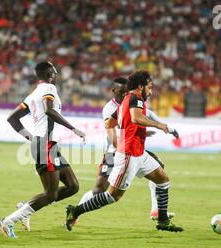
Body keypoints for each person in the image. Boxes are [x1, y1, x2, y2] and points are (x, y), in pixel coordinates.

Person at [65, 70, 184, 232]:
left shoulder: (126, 101)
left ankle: (162, 220)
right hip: (128, 154)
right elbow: (136, 118)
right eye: (149, 87)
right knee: (112, 196)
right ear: (140, 87)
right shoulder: (134, 98)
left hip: (139, 153)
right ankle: (75, 210)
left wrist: (131, 129)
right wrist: (161, 126)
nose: (151, 90)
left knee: (163, 180)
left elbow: (109, 123)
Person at [0, 61, 85, 238]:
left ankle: (25, 207)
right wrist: (73, 128)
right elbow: (50, 111)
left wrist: (31, 138)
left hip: (46, 144)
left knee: (73, 186)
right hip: (45, 145)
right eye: (55, 72)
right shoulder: (49, 89)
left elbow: (12, 118)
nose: (56, 75)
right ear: (50, 73)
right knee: (51, 194)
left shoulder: (34, 94)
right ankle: (7, 222)